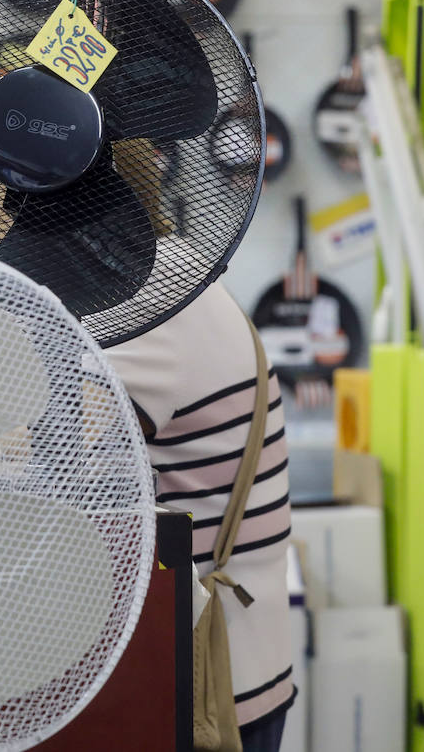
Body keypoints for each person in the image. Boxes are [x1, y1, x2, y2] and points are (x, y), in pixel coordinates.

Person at [106, 274, 294, 751]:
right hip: (240, 663)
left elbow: (42, 447)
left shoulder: (144, 294)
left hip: (208, 685)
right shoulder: (179, 275)